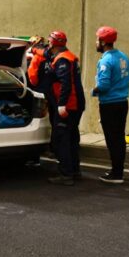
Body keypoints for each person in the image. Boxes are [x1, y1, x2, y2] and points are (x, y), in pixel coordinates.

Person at [92, 26, 129, 184]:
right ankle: (118, 170)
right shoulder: (124, 57)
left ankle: (116, 174)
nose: (96, 42)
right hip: (123, 102)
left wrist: (93, 91)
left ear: (103, 42)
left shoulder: (106, 60)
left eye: (97, 40)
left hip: (109, 104)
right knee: (119, 137)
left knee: (112, 139)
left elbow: (103, 85)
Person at [45, 30, 86, 186]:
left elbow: (65, 84)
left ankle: (66, 174)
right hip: (76, 105)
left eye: (49, 42)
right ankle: (75, 170)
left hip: (68, 105)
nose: (48, 44)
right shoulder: (69, 57)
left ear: (54, 43)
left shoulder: (62, 60)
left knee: (62, 139)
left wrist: (61, 104)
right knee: (73, 138)